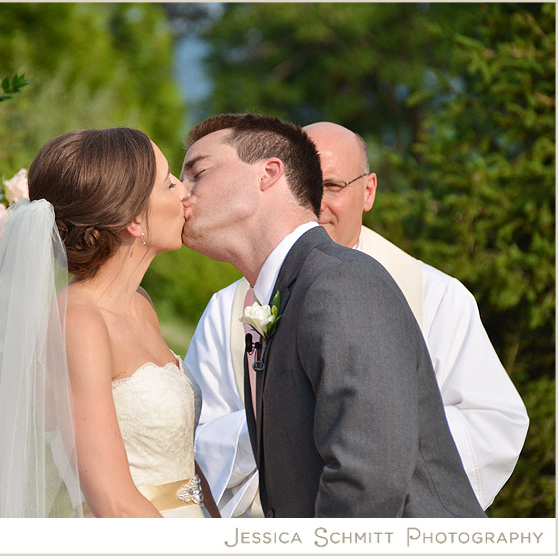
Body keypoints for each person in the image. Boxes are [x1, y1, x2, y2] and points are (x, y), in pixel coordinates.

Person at [186, 120, 529, 517]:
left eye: (198, 172)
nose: (315, 200)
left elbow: (370, 475)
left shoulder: (346, 283)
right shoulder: (262, 293)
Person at [0, 127, 219, 518]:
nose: (184, 192)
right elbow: (113, 502)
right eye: (169, 184)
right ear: (132, 220)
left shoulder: (140, 304)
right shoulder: (78, 322)